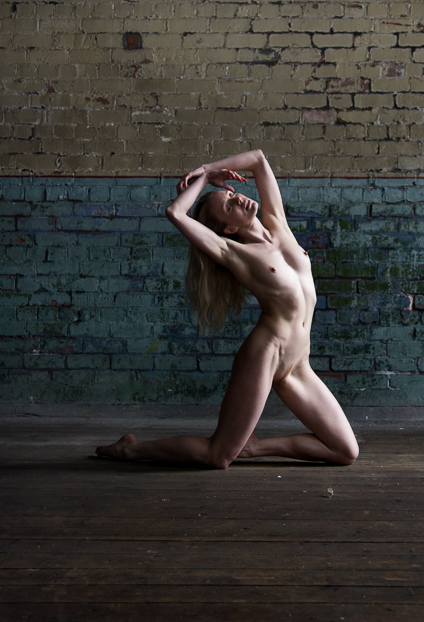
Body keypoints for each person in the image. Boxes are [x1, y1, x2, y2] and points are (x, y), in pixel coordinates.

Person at [96, 149, 359, 469]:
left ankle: (253, 448)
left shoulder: (278, 224)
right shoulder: (233, 252)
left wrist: (207, 166)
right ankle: (129, 450)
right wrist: (204, 179)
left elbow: (259, 159)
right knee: (217, 455)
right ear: (230, 229)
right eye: (229, 205)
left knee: (345, 451)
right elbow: (175, 213)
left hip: (298, 363)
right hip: (267, 353)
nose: (239, 199)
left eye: (232, 195)